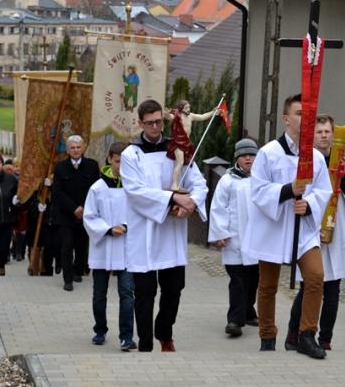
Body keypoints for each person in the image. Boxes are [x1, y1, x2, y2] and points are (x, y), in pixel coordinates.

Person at [241, 93, 331, 358]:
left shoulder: (314, 157)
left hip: (303, 229)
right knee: (268, 285)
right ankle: (267, 336)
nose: (305, 118)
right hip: (274, 226)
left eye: (308, 114)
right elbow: (258, 190)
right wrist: (288, 190)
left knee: (315, 276)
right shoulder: (268, 153)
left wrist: (309, 205)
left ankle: (306, 335)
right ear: (286, 119)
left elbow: (324, 190)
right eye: (299, 113)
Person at [120, 99, 208, 352]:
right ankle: (146, 343)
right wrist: (172, 199)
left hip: (171, 232)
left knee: (174, 288)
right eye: (150, 123)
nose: (155, 127)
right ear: (140, 123)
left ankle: (164, 332)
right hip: (145, 233)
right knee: (145, 292)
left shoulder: (177, 148)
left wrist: (190, 202)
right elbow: (135, 192)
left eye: (159, 122)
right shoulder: (131, 154)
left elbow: (199, 183)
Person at [285, 115, 345, 351]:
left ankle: (325, 339)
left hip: (337, 230)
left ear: (334, 135)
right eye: (319, 132)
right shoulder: (305, 163)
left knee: (333, 289)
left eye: (327, 132)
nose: (323, 136)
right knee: (309, 286)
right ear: (311, 136)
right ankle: (294, 334)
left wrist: (342, 180)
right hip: (311, 230)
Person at [83, 142, 136, 351]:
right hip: (103, 245)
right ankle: (100, 330)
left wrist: (126, 226)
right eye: (118, 161)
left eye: (125, 162)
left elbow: (140, 212)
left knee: (127, 292)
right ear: (109, 159)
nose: (121, 166)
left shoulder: (133, 187)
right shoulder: (97, 188)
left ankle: (126, 336)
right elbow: (89, 215)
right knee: (99, 293)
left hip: (126, 246)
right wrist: (107, 229)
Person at [208, 138, 260, 338]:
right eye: (244, 155)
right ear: (237, 158)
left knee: (253, 279)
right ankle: (235, 320)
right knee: (238, 280)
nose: (248, 159)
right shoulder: (228, 181)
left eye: (252, 155)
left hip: (255, 240)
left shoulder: (261, 179)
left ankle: (248, 311)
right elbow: (218, 208)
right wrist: (220, 233)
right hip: (234, 239)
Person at [50, 135, 100, 291]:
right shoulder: (60, 168)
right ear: (67, 150)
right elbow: (58, 192)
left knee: (82, 245)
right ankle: (68, 279)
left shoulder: (92, 166)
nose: (76, 150)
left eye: (78, 147)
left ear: (83, 148)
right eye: (72, 147)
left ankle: (78, 270)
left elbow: (95, 189)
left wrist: (84, 207)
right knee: (67, 246)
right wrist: (73, 208)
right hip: (66, 215)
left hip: (86, 213)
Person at [164, 100, 217, 191]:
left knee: (181, 164)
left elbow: (202, 116)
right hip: (178, 143)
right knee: (180, 162)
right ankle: (174, 184)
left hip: (186, 143)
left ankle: (178, 184)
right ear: (181, 108)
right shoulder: (177, 116)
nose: (188, 109)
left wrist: (212, 112)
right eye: (186, 108)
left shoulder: (191, 116)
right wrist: (166, 114)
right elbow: (169, 117)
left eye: (189, 107)